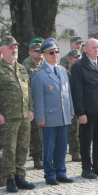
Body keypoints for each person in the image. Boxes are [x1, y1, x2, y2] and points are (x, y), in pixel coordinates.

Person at [0, 36, 36, 193]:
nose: (14, 50)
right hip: (7, 117)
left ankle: (20, 175)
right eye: (11, 47)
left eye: (16, 47)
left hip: (23, 115)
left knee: (23, 147)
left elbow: (28, 91)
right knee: (9, 149)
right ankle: (10, 179)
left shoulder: (21, 68)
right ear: (2, 49)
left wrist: (30, 108)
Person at [31, 39, 75, 185]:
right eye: (51, 52)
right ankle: (50, 175)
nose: (55, 54)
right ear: (44, 55)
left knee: (62, 146)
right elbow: (38, 98)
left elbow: (67, 92)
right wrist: (40, 117)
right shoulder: (39, 74)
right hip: (49, 116)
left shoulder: (62, 70)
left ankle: (61, 172)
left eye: (57, 52)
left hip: (63, 114)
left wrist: (70, 110)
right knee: (49, 148)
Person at [70, 38, 98, 179]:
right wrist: (81, 112)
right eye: (93, 47)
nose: (96, 50)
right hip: (88, 111)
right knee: (86, 141)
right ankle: (86, 168)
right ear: (86, 49)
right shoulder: (79, 66)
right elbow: (77, 91)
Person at [23, 39, 44, 169]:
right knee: (35, 133)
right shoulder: (26, 66)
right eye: (36, 51)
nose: (39, 53)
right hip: (33, 102)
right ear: (30, 52)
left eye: (40, 50)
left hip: (44, 101)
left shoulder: (44, 63)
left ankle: (44, 155)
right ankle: (36, 158)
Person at [63, 48, 82, 162]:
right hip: (71, 104)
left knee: (81, 129)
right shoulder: (66, 72)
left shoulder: (82, 70)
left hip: (81, 103)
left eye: (79, 57)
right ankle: (75, 152)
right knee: (73, 130)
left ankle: (81, 150)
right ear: (70, 59)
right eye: (75, 57)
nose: (78, 59)